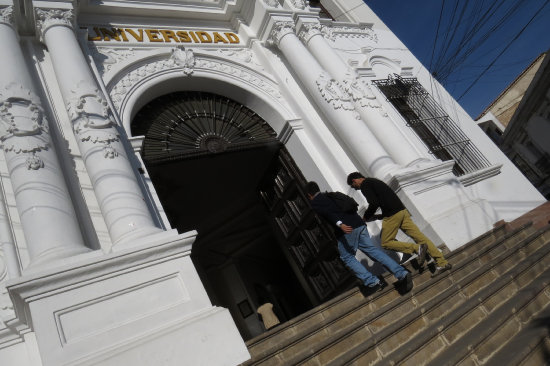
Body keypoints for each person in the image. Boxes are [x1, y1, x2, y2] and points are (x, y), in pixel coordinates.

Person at [305, 181, 412, 294]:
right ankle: (402, 273)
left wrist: (340, 224)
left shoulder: (316, 202)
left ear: (309, 195)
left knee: (347, 257)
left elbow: (327, 213)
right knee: (373, 251)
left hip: (348, 229)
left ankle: (372, 282)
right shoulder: (329, 195)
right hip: (359, 224)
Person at [346, 172, 452, 277]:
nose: (356, 189)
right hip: (401, 211)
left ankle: (417, 249)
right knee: (420, 238)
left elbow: (374, 203)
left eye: (353, 186)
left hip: (392, 215)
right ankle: (442, 263)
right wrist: (379, 216)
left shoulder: (365, 185)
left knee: (386, 243)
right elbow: (385, 201)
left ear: (354, 180)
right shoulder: (375, 181)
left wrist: (365, 217)